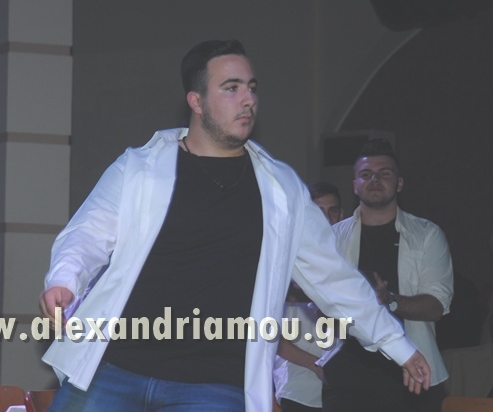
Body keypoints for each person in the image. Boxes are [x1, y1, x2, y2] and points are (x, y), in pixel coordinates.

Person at [39, 39, 432, 412]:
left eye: (251, 87)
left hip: (215, 383)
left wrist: (396, 343)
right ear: (196, 101)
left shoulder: (281, 190)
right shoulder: (140, 169)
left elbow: (334, 278)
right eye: (231, 88)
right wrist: (64, 279)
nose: (248, 99)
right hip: (115, 367)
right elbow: (87, 234)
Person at [322, 138, 453, 412]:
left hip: (412, 373)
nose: (375, 180)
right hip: (346, 375)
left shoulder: (426, 235)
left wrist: (389, 299)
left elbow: (436, 306)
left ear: (400, 183)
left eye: (384, 174)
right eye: (366, 174)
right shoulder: (332, 238)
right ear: (354, 185)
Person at [274, 182, 344, 412]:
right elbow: (273, 338)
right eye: (318, 211)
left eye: (332, 211)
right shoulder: (285, 261)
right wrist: (317, 367)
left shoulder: (348, 260)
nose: (326, 218)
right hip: (298, 385)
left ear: (341, 215)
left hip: (342, 388)